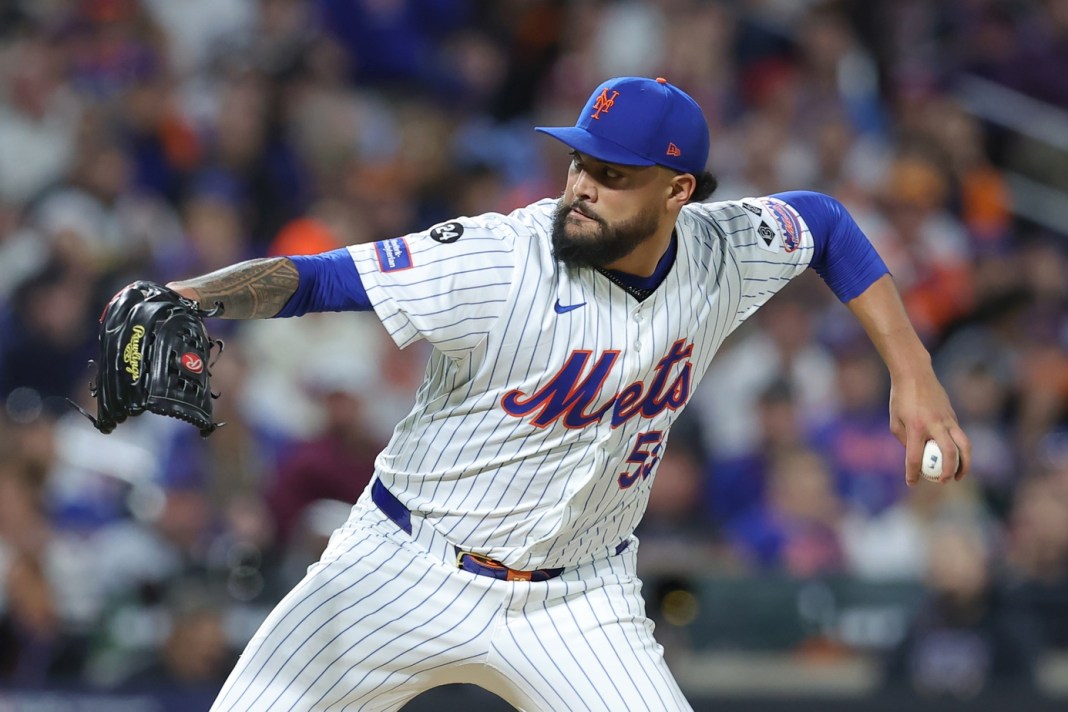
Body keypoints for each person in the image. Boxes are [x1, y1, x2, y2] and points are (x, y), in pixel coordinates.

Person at [162, 76, 971, 711]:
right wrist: (184, 298)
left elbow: (824, 224)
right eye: (578, 160)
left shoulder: (722, 251)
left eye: (610, 173)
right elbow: (319, 278)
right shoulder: (500, 257)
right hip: (401, 566)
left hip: (578, 600)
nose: (579, 185)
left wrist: (914, 369)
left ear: (677, 192)